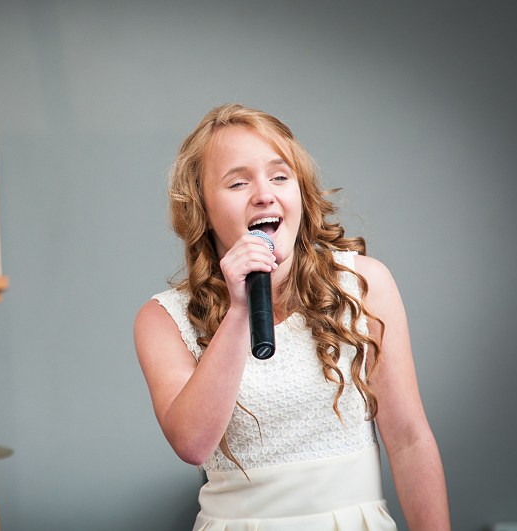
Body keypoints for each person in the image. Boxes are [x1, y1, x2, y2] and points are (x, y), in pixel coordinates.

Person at [134, 104, 450, 530]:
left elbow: (410, 440)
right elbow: (191, 444)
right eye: (238, 182)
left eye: (280, 176)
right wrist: (240, 311)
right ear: (202, 209)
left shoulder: (365, 284)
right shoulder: (162, 320)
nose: (264, 194)